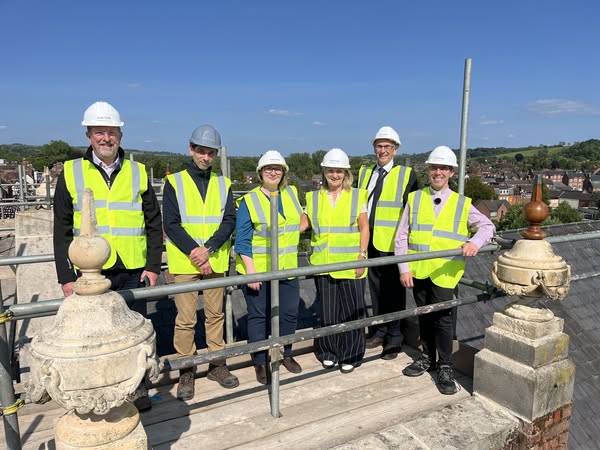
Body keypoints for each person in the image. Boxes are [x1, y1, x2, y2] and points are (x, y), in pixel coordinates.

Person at [53, 101, 163, 410]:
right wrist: (65, 276)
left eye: (111, 132)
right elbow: (60, 229)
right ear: (88, 135)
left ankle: (136, 391)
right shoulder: (72, 172)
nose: (106, 138)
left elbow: (154, 223)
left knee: (135, 333)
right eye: (99, 132)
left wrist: (153, 265)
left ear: (120, 135)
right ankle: (98, 394)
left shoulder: (137, 172)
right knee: (92, 337)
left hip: (132, 267)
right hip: (87, 273)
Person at [395, 145, 495, 395]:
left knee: (443, 322)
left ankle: (445, 367)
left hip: (446, 273)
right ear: (429, 169)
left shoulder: (462, 203)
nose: (438, 172)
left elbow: (487, 226)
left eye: (443, 168)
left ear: (451, 172)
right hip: (419, 271)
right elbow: (402, 236)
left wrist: (474, 242)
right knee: (425, 316)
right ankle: (427, 359)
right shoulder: (415, 198)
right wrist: (403, 268)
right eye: (434, 167)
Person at [163, 125, 239, 401]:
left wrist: (209, 249)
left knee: (215, 315)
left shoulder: (224, 183)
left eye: (211, 153)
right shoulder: (175, 182)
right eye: (201, 151)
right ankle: (187, 369)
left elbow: (229, 220)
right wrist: (196, 252)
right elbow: (171, 224)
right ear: (191, 149)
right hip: (186, 262)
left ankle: (217, 365)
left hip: (214, 259)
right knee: (185, 319)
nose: (206, 157)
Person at [234, 150, 303, 385]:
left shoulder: (291, 193)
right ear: (260, 173)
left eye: (277, 169)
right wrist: (252, 272)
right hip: (259, 271)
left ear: (284, 172)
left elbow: (299, 221)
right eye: (268, 169)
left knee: (289, 313)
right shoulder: (249, 201)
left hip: (287, 268)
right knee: (259, 317)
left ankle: (285, 353)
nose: (273, 172)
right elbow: (242, 240)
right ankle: (260, 361)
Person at [301, 148, 369, 374]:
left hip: (351, 263)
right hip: (323, 264)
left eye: (339, 171)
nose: (335, 175)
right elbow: (302, 224)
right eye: (331, 170)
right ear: (324, 172)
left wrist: (362, 256)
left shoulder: (358, 195)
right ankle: (328, 351)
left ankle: (352, 353)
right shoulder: (313, 197)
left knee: (352, 311)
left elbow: (364, 227)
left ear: (346, 173)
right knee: (328, 312)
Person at [357, 126, 418, 360]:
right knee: (375, 292)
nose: (382, 150)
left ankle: (394, 338)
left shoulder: (406, 174)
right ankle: (379, 331)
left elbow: (412, 211)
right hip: (370, 242)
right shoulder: (365, 173)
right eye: (379, 145)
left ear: (395, 149)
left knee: (394, 294)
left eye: (387, 146)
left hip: (393, 244)